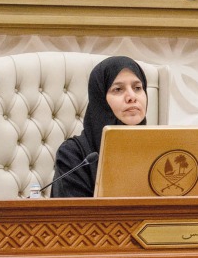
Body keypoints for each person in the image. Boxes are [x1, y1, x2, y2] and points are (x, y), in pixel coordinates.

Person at [51, 56, 148, 198]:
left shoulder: (162, 149)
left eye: (138, 88)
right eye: (118, 89)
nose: (132, 97)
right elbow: (73, 217)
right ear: (100, 99)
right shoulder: (74, 156)